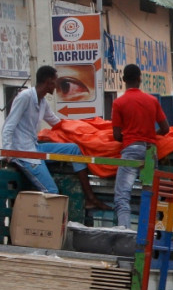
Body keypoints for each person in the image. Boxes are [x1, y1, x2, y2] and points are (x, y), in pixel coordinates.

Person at [1, 65, 109, 210]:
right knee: (52, 191)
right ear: (48, 82)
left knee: (74, 149)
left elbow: (56, 123)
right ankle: (45, 226)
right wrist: (8, 152)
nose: (57, 85)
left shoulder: (42, 101)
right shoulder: (25, 97)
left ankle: (90, 198)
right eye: (55, 81)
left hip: (35, 147)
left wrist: (84, 131)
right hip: (24, 153)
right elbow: (8, 125)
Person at [111, 64, 170, 228]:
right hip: (150, 152)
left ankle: (126, 233)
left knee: (122, 196)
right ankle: (151, 235)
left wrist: (131, 135)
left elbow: (116, 135)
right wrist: (151, 136)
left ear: (123, 80)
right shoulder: (152, 101)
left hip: (131, 151)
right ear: (139, 79)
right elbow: (166, 129)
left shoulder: (119, 103)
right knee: (151, 196)